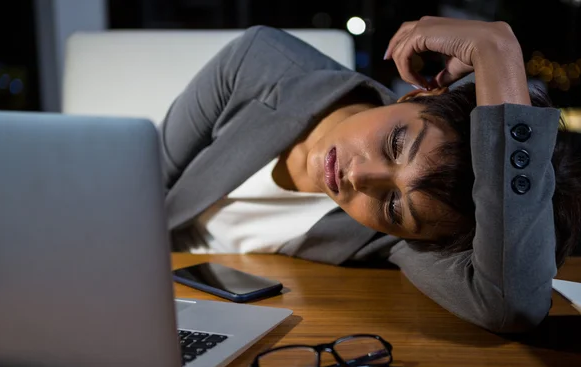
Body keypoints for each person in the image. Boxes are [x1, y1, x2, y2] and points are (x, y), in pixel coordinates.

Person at [159, 16, 581, 333]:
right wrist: (500, 39)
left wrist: (496, 53)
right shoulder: (259, 63)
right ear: (419, 94)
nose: (360, 177)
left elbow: (513, 303)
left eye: (395, 204)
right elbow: (136, 187)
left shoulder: (392, 239)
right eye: (396, 144)